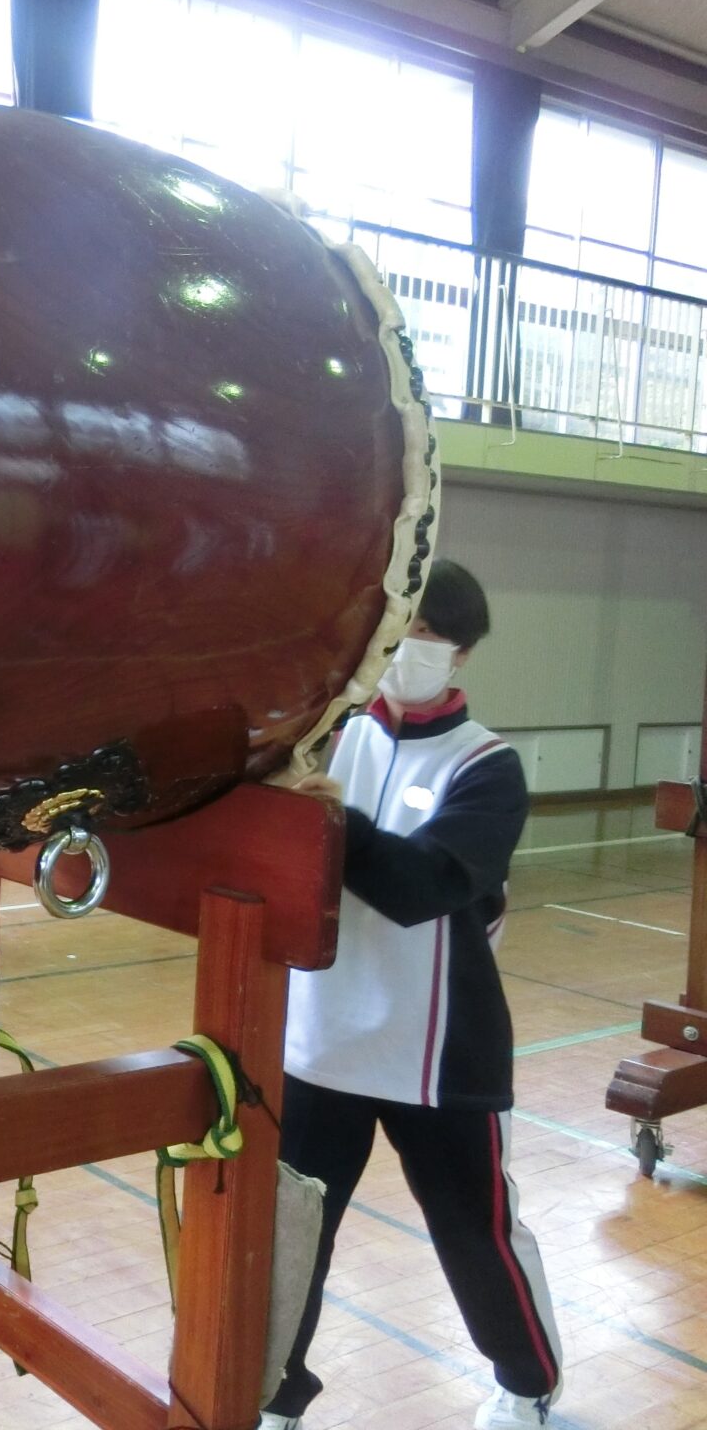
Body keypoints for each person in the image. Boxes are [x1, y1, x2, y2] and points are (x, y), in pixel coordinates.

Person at [263, 560, 562, 1430]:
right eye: (401, 630)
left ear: (461, 654)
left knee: (475, 1231)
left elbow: (422, 885)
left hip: (439, 1053)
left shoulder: (489, 768)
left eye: (431, 637)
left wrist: (335, 824)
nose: (410, 650)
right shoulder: (327, 737)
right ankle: (275, 1395)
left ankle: (526, 1385)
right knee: (289, 1239)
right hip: (321, 1043)